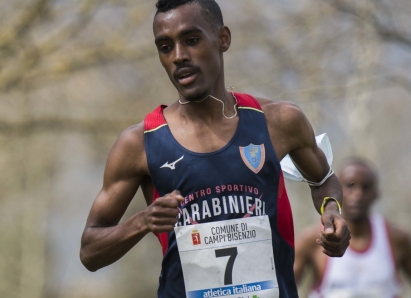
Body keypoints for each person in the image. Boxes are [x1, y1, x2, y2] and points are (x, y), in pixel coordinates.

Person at [80, 0, 350, 297]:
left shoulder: (280, 121)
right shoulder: (140, 143)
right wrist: (141, 221)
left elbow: (323, 180)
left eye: (191, 40)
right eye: (165, 47)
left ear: (223, 39)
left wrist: (332, 211)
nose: (179, 56)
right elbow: (90, 251)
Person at [293, 158, 411, 298]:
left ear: (376, 194)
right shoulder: (314, 239)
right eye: (350, 185)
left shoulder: (397, 239)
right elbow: (286, 286)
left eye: (365, 187)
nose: (358, 194)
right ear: (337, 191)